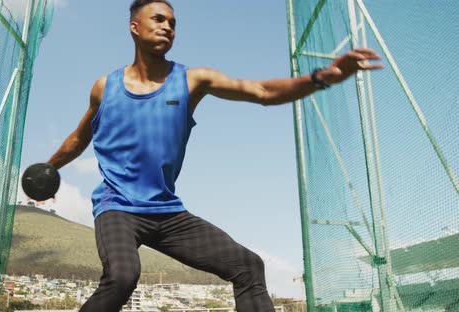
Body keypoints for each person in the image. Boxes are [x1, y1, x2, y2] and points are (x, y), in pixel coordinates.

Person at [46, 1, 383, 311]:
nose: (167, 27)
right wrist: (48, 168)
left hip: (166, 212)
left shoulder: (192, 80)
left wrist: (323, 77)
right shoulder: (106, 87)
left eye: (173, 23)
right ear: (134, 27)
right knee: (122, 276)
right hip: (117, 207)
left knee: (249, 266)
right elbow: (79, 137)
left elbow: (262, 91)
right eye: (158, 19)